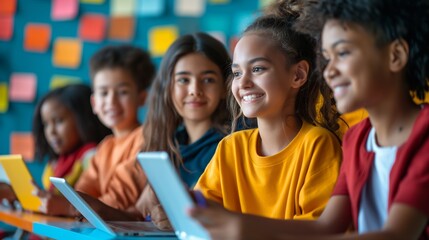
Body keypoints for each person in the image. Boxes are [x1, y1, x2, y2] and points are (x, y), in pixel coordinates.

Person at [189, 0, 429, 239]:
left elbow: (397, 235)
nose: (328, 71)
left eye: (343, 53)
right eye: (326, 57)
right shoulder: (358, 138)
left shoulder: (424, 134)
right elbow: (324, 228)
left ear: (395, 55)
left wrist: (249, 231)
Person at [193, 1, 342, 224]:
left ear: (298, 75)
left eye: (257, 69)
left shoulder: (317, 145)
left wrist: (243, 228)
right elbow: (202, 213)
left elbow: (318, 230)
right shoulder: (231, 148)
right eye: (236, 72)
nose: (242, 82)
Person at [34, 45, 156, 217]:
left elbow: (117, 201)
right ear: (94, 103)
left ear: (142, 98)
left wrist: (70, 208)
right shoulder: (105, 147)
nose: (111, 101)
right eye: (104, 93)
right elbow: (81, 192)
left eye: (122, 92)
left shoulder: (147, 138)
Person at [134, 32, 231, 228]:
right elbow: (138, 213)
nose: (195, 90)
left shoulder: (230, 147)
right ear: (168, 88)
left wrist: (181, 220)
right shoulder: (171, 143)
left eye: (208, 79)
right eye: (183, 80)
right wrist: (86, 206)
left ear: (224, 88)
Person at [0, 84, 110, 208]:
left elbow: (85, 205)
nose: (51, 131)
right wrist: (16, 194)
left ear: (83, 119)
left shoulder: (92, 157)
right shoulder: (55, 163)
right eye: (46, 124)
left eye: (58, 121)